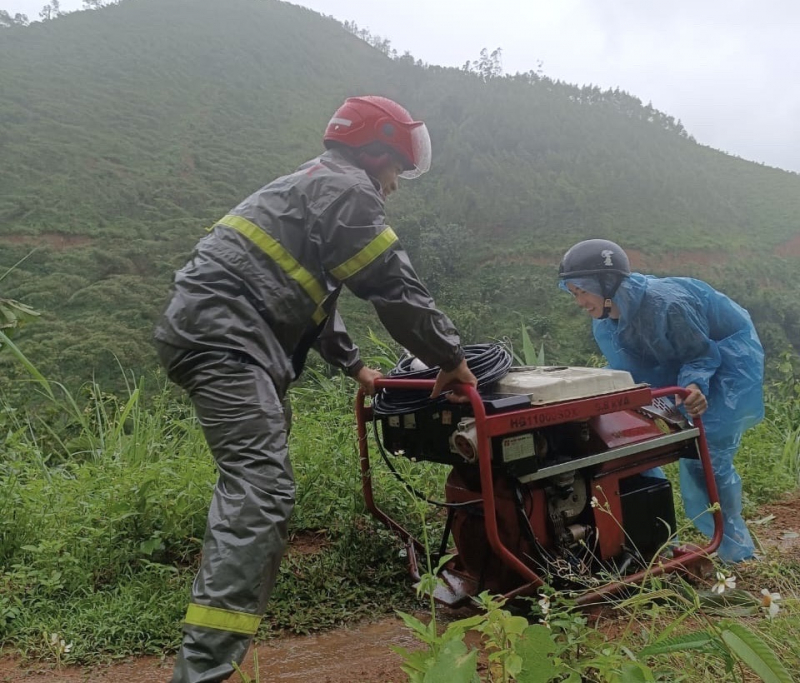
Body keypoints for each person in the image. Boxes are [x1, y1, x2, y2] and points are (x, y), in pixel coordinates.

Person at [153, 95, 477, 683]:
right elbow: (393, 287)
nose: (395, 185)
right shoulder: (348, 190)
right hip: (229, 340)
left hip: (222, 333)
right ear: (375, 152)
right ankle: (200, 675)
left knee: (258, 480)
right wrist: (450, 358)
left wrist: (357, 368)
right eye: (396, 169)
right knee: (260, 490)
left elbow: (314, 297)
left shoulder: (311, 184)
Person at [558, 238, 764, 564]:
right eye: (573, 294)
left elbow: (700, 354)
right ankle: (658, 545)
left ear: (607, 282)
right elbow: (631, 369)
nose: (580, 302)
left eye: (583, 291)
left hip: (727, 367)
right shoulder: (605, 323)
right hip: (678, 365)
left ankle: (736, 551)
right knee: (632, 448)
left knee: (706, 458)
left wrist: (694, 386)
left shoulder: (668, 304)